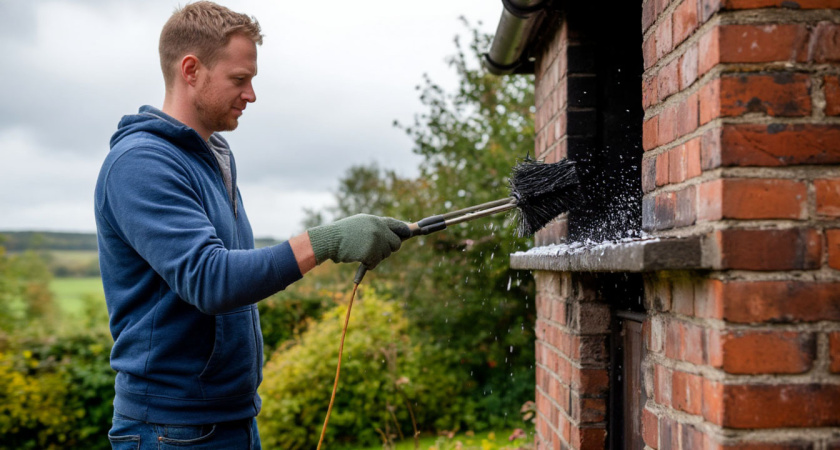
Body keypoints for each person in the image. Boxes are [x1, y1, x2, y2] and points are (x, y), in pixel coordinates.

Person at [94, 2, 409, 448]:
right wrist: (329, 240)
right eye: (239, 79)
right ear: (191, 70)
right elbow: (211, 279)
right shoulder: (140, 164)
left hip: (231, 418)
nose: (251, 95)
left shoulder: (213, 158)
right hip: (171, 430)